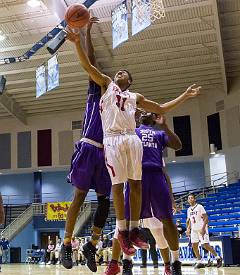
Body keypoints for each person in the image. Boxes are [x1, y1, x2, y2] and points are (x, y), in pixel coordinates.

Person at [67, 27, 201, 259]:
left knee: (135, 185)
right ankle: (122, 231)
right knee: (118, 187)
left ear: (129, 81)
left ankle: (134, 229)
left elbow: (160, 108)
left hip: (131, 139)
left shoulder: (135, 97)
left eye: (123, 73)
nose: (118, 72)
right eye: (118, 71)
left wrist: (185, 96)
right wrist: (77, 42)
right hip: (112, 140)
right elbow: (88, 66)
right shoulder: (106, 84)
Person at [101, 114, 183, 275]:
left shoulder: (159, 134)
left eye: (149, 113)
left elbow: (178, 145)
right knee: (126, 224)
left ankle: (175, 263)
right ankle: (127, 261)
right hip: (135, 178)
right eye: (142, 112)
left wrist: (165, 126)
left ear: (154, 120)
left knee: (167, 220)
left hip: (156, 176)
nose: (146, 113)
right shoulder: (131, 133)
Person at [61, 18, 112, 272]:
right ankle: (67, 243)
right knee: (79, 197)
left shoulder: (120, 102)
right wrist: (87, 33)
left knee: (105, 202)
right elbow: (91, 62)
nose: (115, 76)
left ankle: (91, 245)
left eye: (121, 75)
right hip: (88, 147)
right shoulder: (97, 90)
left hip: (105, 155)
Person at [186, 194, 223, 268]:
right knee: (194, 246)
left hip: (201, 228)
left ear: (194, 199)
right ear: (188, 200)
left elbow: (206, 218)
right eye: (189, 198)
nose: (190, 199)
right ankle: (200, 261)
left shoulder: (199, 207)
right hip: (194, 229)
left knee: (205, 245)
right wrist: (188, 229)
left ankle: (218, 257)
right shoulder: (189, 209)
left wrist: (203, 229)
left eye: (192, 198)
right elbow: (190, 220)